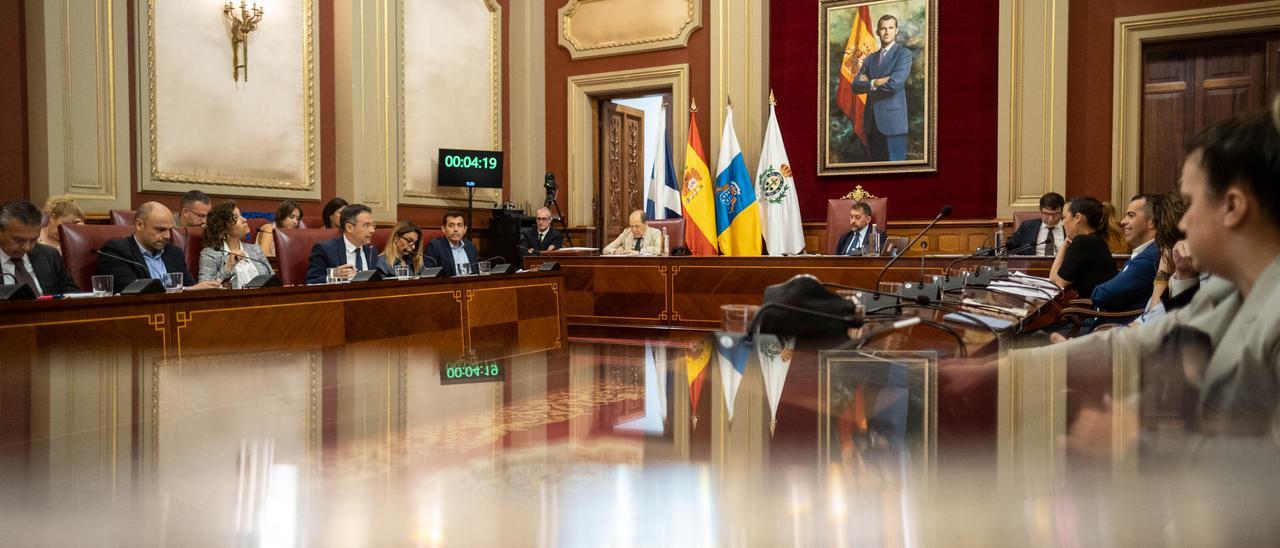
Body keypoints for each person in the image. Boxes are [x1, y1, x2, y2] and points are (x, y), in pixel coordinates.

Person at [1048, 110, 1280, 447]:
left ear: (1232, 207)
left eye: (1189, 203)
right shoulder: (1226, 287)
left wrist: (1139, 440)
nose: (1183, 224)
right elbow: (1168, 344)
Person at [97, 202, 221, 293]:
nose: (167, 236)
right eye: (160, 229)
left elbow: (191, 286)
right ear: (139, 225)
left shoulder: (173, 253)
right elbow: (131, 293)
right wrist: (186, 290)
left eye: (169, 230)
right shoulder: (117, 252)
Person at [849, 14, 914, 162]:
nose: (887, 32)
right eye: (883, 28)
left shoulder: (904, 54)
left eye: (891, 28)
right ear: (877, 31)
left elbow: (894, 84)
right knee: (876, 169)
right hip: (871, 123)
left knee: (895, 170)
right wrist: (875, 82)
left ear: (896, 30)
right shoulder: (870, 58)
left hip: (893, 122)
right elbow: (855, 86)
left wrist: (868, 83)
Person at [1090, 194, 1161, 311]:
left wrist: (1098, 291)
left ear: (1152, 222)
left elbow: (1102, 295)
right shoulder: (1144, 251)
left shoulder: (1150, 257)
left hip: (1118, 326)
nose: (1123, 221)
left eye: (1131, 215)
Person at [0, 199, 80, 296]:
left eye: (33, 240)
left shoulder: (49, 255)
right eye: (19, 240)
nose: (26, 247)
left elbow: (73, 294)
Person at [1048, 196, 1118, 297]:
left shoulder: (1083, 241)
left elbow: (1057, 283)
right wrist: (1066, 244)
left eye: (1064, 218)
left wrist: (1064, 245)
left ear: (1077, 217)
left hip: (1089, 310)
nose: (1062, 223)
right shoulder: (1094, 239)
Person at [198, 201, 272, 289]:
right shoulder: (210, 254)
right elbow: (204, 289)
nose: (244, 219)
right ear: (223, 226)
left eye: (240, 215)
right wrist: (228, 267)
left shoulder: (255, 250)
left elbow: (272, 279)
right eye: (236, 217)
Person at [305, 203, 377, 284]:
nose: (372, 230)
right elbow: (310, 282)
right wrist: (334, 275)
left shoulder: (371, 249)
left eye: (373, 226)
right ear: (349, 227)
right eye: (366, 226)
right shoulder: (325, 249)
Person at [423, 210, 479, 277]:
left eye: (459, 225)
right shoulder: (435, 247)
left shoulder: (470, 246)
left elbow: (476, 272)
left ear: (465, 229)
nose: (455, 229)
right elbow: (430, 276)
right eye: (451, 226)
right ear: (444, 229)